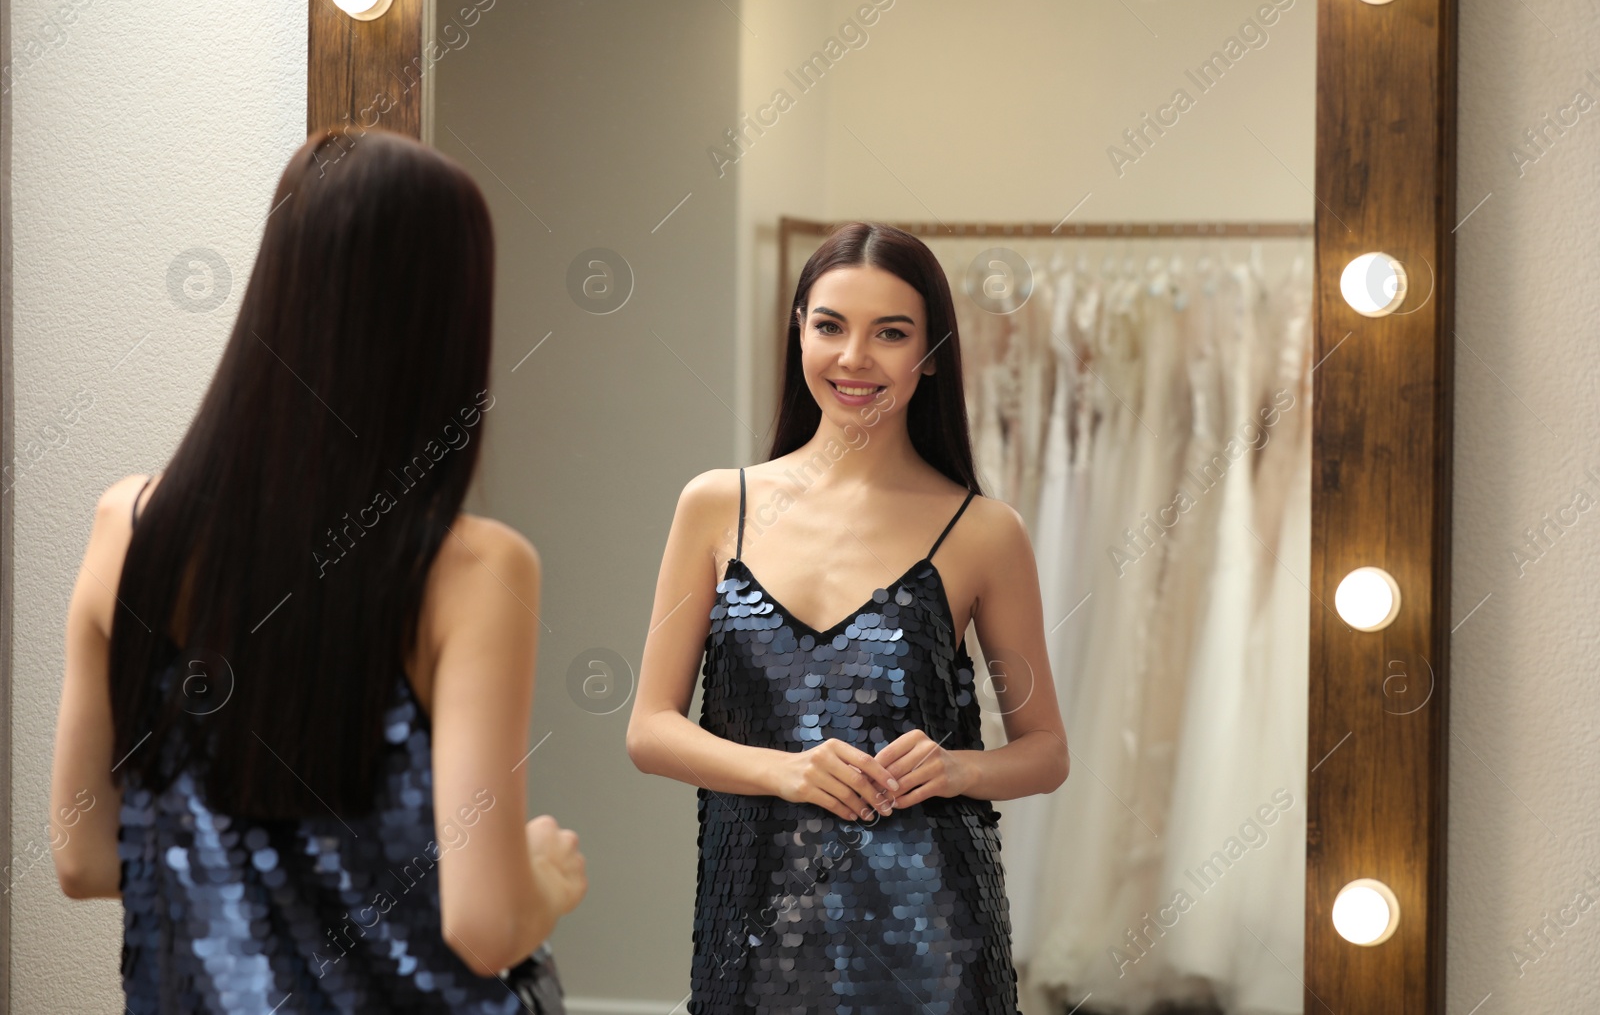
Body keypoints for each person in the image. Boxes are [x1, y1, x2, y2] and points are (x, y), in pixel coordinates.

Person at [48, 126, 585, 1014]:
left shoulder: (124, 528)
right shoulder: (475, 569)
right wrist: (546, 880)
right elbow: (486, 927)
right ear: (447, 324)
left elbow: (83, 857)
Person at [626, 221, 1070, 1012]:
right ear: (798, 329)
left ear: (929, 355)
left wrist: (958, 767)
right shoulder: (714, 506)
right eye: (830, 325)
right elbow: (650, 729)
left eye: (890, 333)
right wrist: (786, 771)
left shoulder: (983, 531)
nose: (854, 358)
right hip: (752, 932)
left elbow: (1045, 751)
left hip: (934, 934)